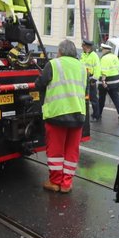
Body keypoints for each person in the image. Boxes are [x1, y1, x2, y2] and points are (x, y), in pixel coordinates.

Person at [35, 39, 87, 193]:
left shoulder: (54, 64)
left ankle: (55, 182)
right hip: (78, 114)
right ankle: (66, 184)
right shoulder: (82, 67)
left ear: (61, 52)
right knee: (72, 150)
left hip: (57, 114)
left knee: (56, 151)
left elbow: (40, 84)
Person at [96, 43, 119, 121]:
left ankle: (98, 114)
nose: (101, 51)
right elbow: (118, 68)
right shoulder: (115, 56)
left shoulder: (104, 58)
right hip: (116, 80)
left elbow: (104, 71)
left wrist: (103, 81)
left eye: (102, 49)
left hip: (106, 82)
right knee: (116, 98)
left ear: (105, 50)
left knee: (101, 99)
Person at [79, 39, 101, 121]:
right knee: (83, 98)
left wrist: (94, 79)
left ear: (87, 47)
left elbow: (97, 68)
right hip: (83, 79)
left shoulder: (94, 56)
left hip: (91, 79)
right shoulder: (83, 55)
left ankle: (96, 115)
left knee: (93, 98)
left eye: (83, 46)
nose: (82, 47)